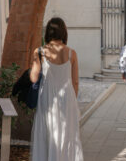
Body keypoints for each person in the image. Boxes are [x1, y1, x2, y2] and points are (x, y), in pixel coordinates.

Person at [30, 17, 83, 160]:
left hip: (47, 98)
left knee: (47, 134)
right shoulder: (72, 53)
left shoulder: (39, 52)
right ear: (64, 32)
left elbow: (34, 78)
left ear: (47, 32)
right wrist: (72, 101)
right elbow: (75, 82)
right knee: (67, 136)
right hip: (67, 98)